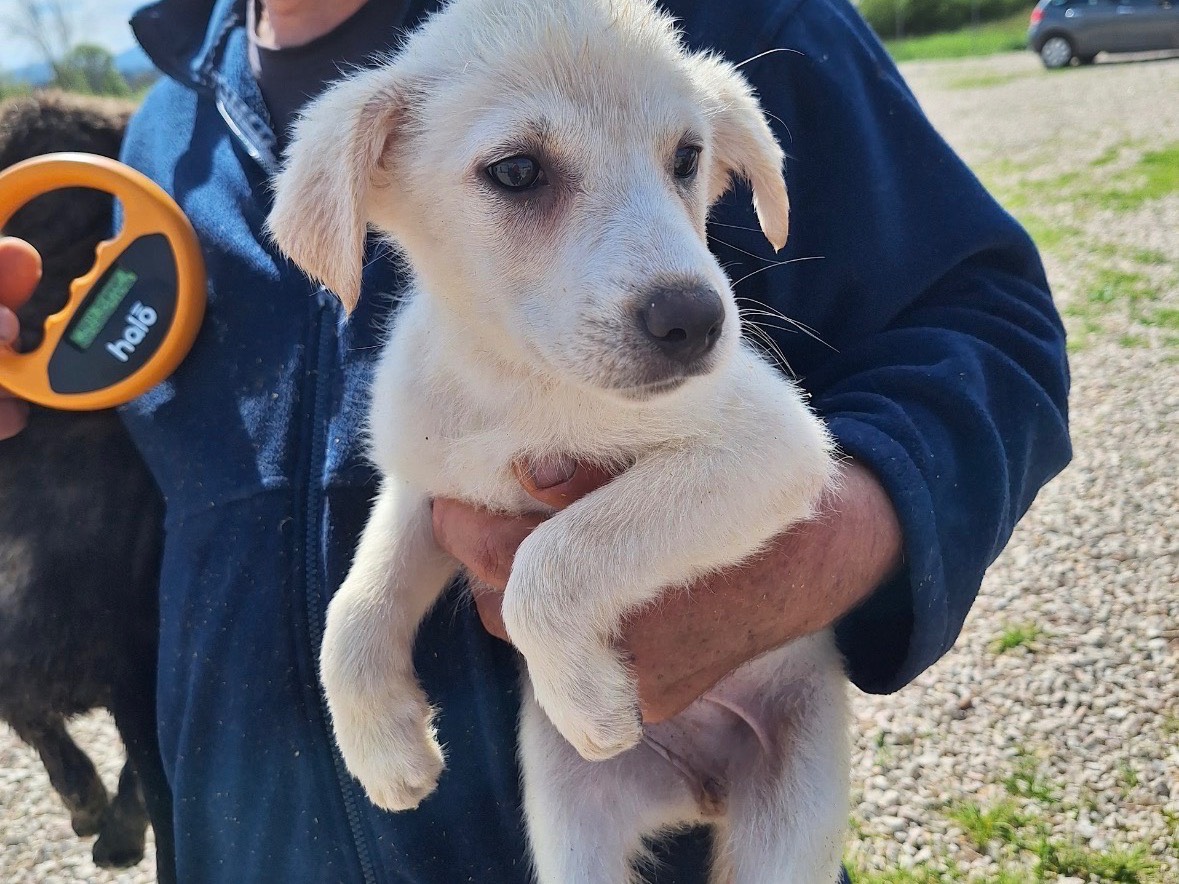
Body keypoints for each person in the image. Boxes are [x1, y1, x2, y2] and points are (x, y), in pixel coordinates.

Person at [0, 0, 1071, 880]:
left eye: (685, 161)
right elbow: (158, 486)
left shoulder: (687, 25)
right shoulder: (161, 137)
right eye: (522, 174)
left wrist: (811, 553)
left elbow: (992, 330)